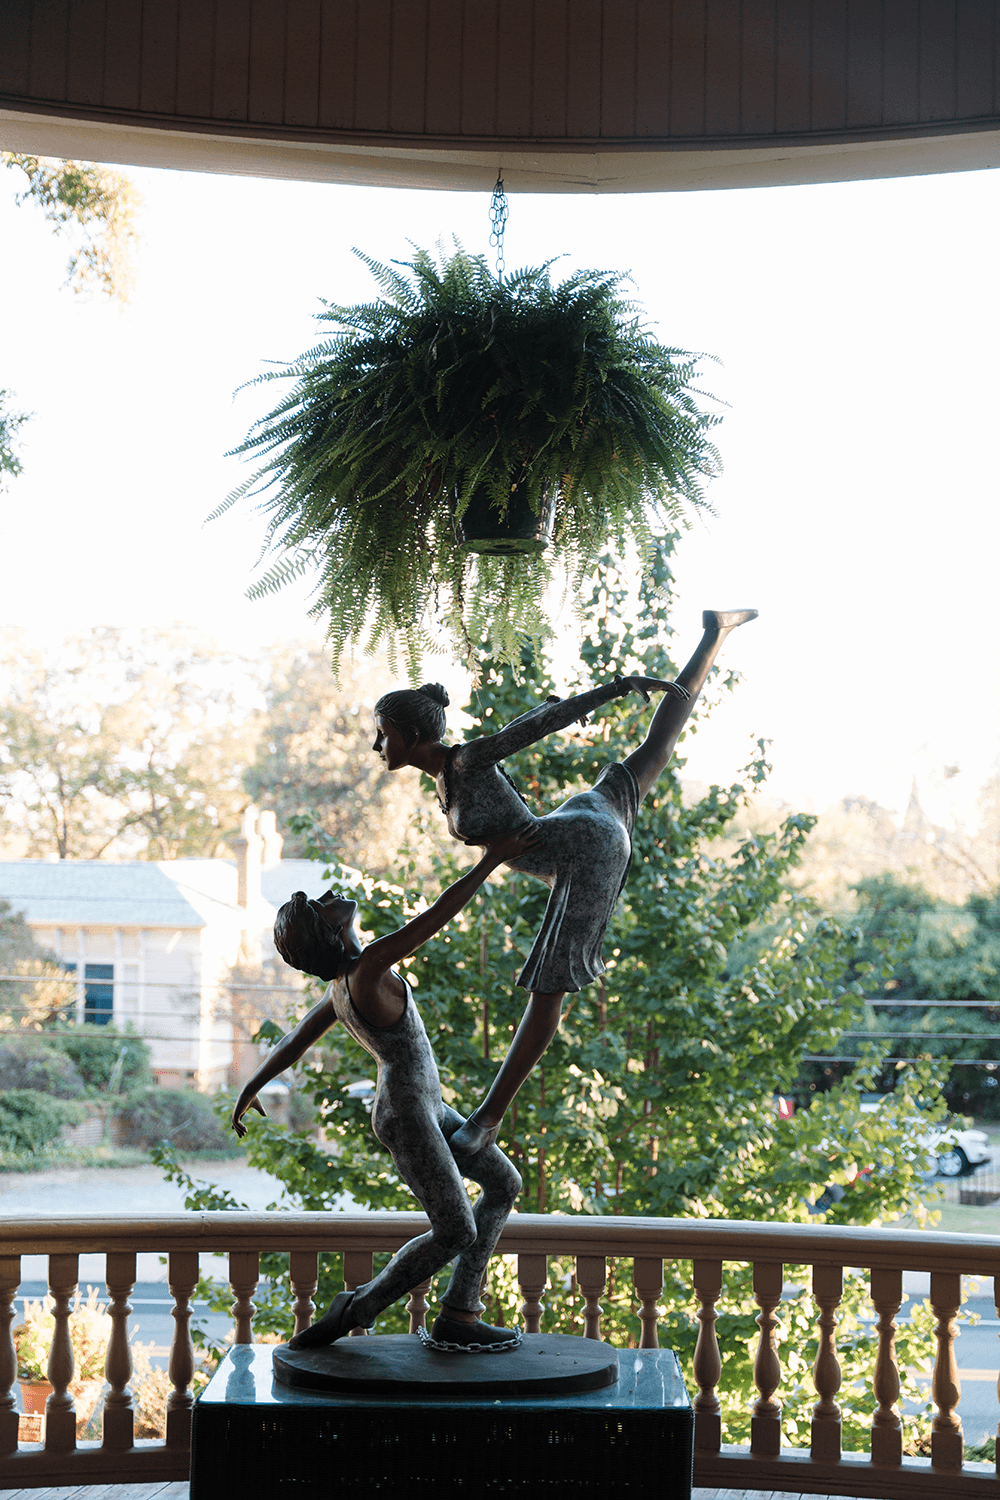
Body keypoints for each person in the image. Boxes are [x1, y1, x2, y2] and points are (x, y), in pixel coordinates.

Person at [371, 608, 757, 1158]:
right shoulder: (446, 777)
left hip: (585, 848)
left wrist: (618, 687)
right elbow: (526, 723)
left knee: (547, 987)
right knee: (656, 750)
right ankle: (715, 633)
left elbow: (534, 730)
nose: (375, 745)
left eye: (381, 735)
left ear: (410, 736)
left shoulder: (467, 761)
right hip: (581, 818)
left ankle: (486, 1122)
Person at [231, 825, 539, 1352]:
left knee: (503, 1184)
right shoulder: (366, 970)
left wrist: (250, 1086)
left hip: (423, 1106)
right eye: (321, 906)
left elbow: (294, 1041)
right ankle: (358, 1307)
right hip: (408, 1114)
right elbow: (436, 917)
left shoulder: (346, 983)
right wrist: (491, 862)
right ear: (327, 935)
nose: (331, 897)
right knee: (454, 1231)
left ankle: (461, 1312)